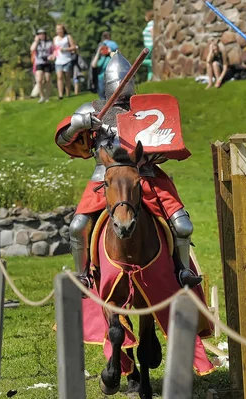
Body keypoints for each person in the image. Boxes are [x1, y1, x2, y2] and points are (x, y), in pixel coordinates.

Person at [54, 52, 202, 292]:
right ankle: (83, 275)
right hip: (105, 177)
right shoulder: (92, 109)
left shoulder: (147, 110)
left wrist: (154, 154)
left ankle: (183, 270)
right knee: (78, 226)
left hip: (145, 176)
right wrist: (80, 123)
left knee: (182, 225)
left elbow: (165, 146)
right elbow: (64, 139)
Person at [91, 32, 119, 100]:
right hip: (101, 80)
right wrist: (98, 52)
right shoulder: (100, 59)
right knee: (103, 99)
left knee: (113, 99)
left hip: (112, 78)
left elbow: (118, 57)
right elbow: (93, 65)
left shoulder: (111, 57)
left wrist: (110, 52)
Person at [53, 24, 77, 99]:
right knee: (59, 77)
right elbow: (55, 49)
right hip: (58, 61)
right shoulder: (55, 39)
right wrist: (53, 55)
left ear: (63, 30)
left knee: (67, 77)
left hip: (67, 59)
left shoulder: (68, 37)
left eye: (60, 29)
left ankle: (68, 93)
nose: (59, 31)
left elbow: (74, 47)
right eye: (57, 29)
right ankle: (60, 95)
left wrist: (65, 49)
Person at [30, 28, 55, 103]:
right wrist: (36, 41)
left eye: (43, 34)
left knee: (47, 79)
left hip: (47, 62)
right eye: (40, 34)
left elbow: (54, 52)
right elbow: (32, 49)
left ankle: (47, 96)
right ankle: (42, 96)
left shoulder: (49, 43)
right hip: (39, 63)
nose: (41, 35)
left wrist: (52, 56)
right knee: (39, 80)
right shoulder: (37, 43)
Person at [142, 11, 154, 81]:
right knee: (149, 68)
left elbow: (152, 33)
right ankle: (149, 80)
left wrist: (153, 43)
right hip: (148, 46)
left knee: (140, 61)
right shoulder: (150, 24)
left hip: (149, 45)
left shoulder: (151, 24)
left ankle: (152, 63)